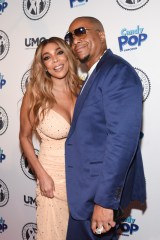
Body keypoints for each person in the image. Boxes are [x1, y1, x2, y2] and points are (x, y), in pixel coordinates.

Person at [64, 16, 146, 240]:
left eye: (81, 31)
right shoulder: (95, 75)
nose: (75, 40)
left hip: (97, 196)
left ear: (101, 35)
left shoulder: (116, 71)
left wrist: (105, 201)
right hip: (85, 195)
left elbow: (122, 140)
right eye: (70, 36)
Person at [19, 37, 81, 240]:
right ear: (43, 65)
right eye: (48, 57)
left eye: (59, 52)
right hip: (52, 180)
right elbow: (24, 137)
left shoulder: (82, 89)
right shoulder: (35, 94)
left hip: (82, 179)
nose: (55, 60)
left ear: (68, 54)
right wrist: (41, 175)